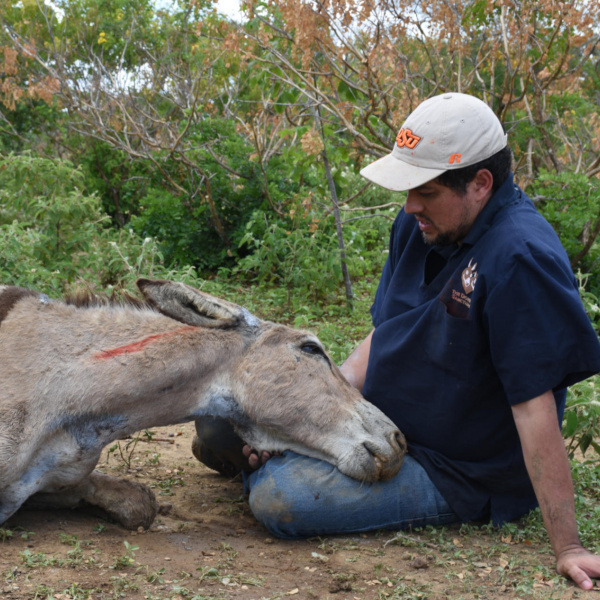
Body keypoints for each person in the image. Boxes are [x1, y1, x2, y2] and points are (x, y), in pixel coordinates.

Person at [193, 93, 600, 590]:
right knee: (218, 420)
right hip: (377, 421)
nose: (410, 207)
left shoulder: (520, 258)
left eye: (425, 191)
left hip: (455, 469)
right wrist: (313, 407)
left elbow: (534, 410)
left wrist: (569, 546)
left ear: (480, 183)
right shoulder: (422, 225)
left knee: (284, 498)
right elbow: (384, 333)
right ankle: (268, 455)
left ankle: (267, 466)